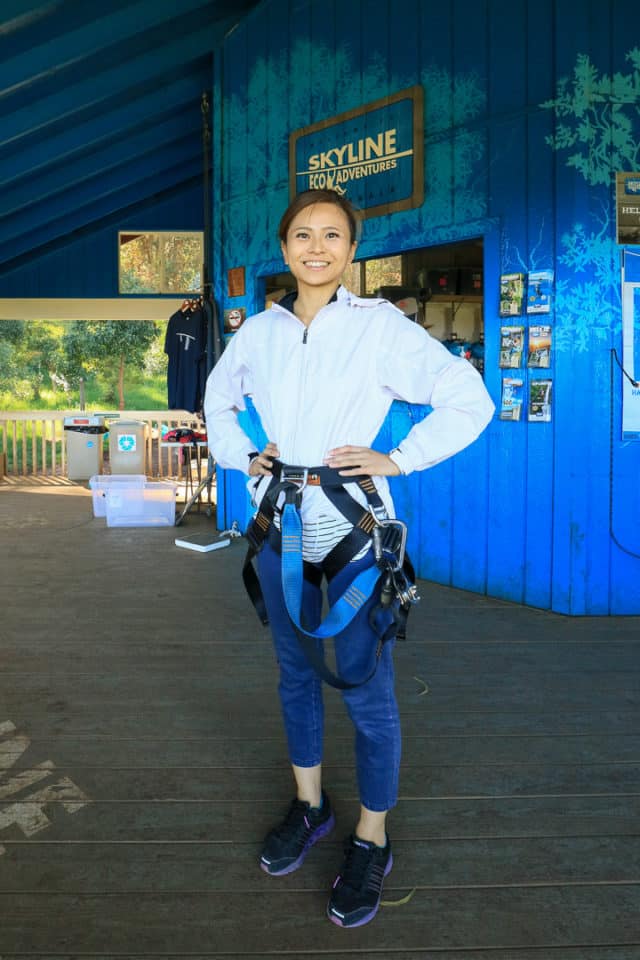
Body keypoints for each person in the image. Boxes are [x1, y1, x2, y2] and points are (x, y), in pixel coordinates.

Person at [204, 188, 495, 928]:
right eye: (303, 234)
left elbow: (469, 397)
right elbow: (217, 401)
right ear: (285, 246)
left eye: (333, 235)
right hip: (281, 526)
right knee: (294, 673)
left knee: (364, 687)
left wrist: (397, 458)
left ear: (351, 250)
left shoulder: (379, 328)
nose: (317, 247)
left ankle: (373, 837)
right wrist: (248, 455)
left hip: (353, 530)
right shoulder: (260, 332)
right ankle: (311, 807)